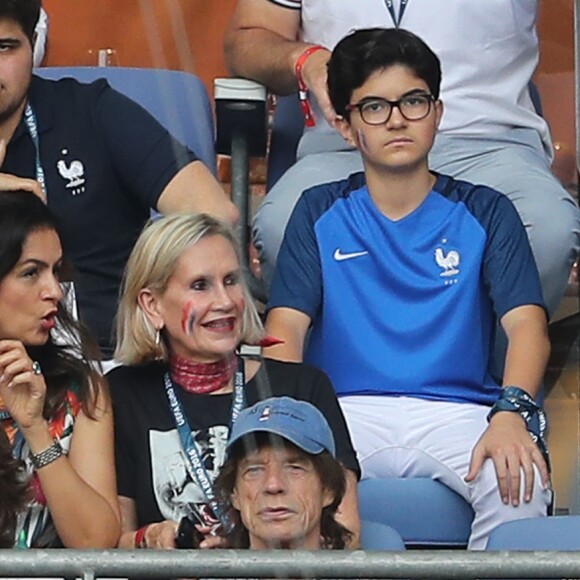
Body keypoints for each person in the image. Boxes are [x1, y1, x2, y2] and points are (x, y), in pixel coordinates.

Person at [264, 27, 553, 550]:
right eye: (373, 106)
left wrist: (512, 411)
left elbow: (527, 325)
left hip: (461, 409)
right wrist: (293, 424)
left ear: (438, 113)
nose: (396, 119)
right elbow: (284, 328)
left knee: (521, 486)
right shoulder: (316, 210)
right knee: (285, 488)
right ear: (347, 126)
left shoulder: (487, 210)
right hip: (344, 407)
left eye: (413, 101)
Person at [224, 0, 580, 311]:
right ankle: (327, 384)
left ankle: (497, 380)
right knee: (282, 229)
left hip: (487, 142)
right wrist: (303, 59)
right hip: (347, 142)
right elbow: (248, 39)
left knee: (547, 232)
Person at [108, 212, 360, 550]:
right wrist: (149, 539)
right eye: (200, 285)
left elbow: (345, 533)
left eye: (231, 280)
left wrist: (245, 553)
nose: (225, 302)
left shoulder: (303, 387)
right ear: (152, 305)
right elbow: (109, 545)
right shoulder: (124, 393)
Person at [0, 0, 237, 357]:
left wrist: (149, 303)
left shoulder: (92, 111)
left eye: (4, 48)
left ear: (33, 45)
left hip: (108, 359)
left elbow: (214, 214)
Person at [0, 191, 120, 548]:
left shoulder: (81, 391)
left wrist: (36, 429)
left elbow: (97, 544)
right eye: (31, 273)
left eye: (55, 271)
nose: (54, 290)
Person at [214, 396, 350, 550]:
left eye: (294, 468)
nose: (273, 485)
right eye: (254, 470)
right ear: (234, 495)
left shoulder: (369, 573)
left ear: (328, 489)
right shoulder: (201, 573)